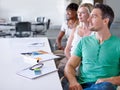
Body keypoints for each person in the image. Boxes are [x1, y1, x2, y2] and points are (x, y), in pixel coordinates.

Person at [64, 3, 120, 90]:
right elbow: (69, 65)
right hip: (81, 85)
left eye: (93, 16)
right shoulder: (84, 41)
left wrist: (110, 80)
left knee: (106, 86)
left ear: (105, 21)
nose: (89, 19)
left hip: (104, 86)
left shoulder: (118, 44)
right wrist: (73, 81)